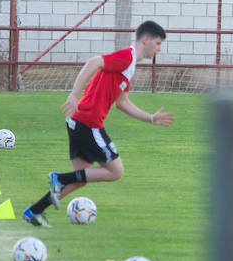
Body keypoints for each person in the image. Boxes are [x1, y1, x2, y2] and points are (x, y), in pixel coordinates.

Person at [22, 21, 175, 227]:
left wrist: (150, 118)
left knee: (81, 178)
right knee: (115, 171)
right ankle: (59, 178)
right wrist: (74, 94)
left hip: (78, 122)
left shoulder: (130, 66)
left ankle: (34, 211)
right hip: (88, 122)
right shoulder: (126, 57)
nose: (159, 48)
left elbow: (122, 102)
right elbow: (94, 61)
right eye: (157, 43)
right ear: (145, 40)